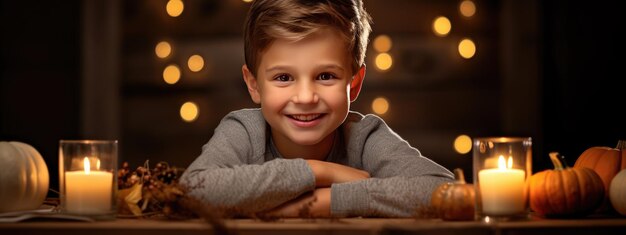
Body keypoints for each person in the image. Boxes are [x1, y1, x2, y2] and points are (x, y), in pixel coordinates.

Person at [180, 0, 454, 218]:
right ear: (254, 85)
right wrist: (318, 172)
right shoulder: (244, 132)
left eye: (325, 76)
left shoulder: (365, 137)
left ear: (354, 84)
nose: (305, 97)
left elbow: (445, 191)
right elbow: (194, 190)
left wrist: (324, 201)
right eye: (284, 78)